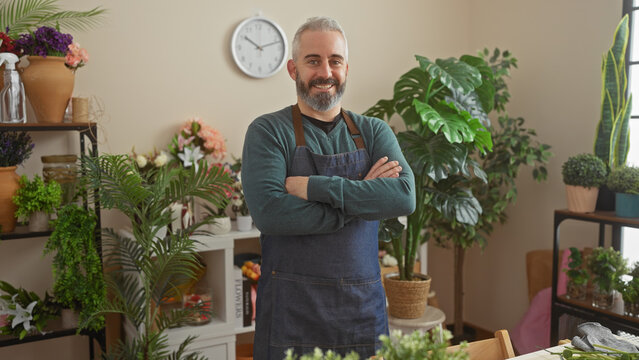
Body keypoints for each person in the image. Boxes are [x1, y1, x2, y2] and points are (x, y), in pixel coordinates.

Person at [241, 16, 415, 359]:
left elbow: (404, 196)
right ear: (293, 69)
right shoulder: (268, 131)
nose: (325, 71)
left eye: (335, 61)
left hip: (362, 311)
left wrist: (314, 187)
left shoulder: (374, 132)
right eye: (313, 60)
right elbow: (272, 215)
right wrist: (362, 197)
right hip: (292, 312)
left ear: (346, 68)